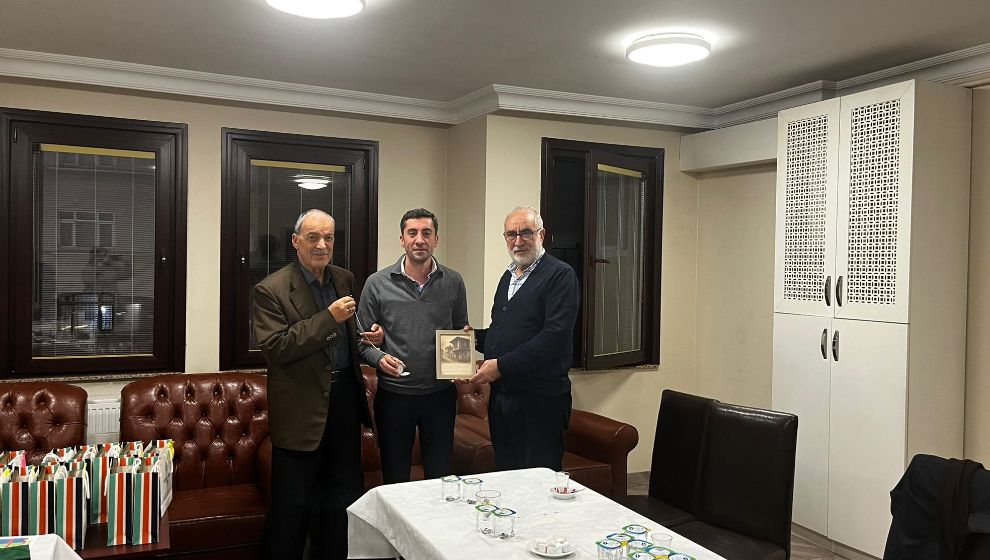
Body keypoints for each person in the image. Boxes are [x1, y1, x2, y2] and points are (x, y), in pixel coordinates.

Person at [251, 208, 382, 560]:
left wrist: (368, 337)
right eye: (313, 237)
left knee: (343, 499)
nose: (322, 245)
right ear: (296, 241)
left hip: (344, 402)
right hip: (300, 410)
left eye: (328, 237)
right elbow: (277, 347)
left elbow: (346, 335)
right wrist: (329, 318)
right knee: (292, 507)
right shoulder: (270, 289)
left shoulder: (343, 278)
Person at [357, 208, 469, 483]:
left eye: (426, 233)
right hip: (394, 397)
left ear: (436, 239)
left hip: (440, 396)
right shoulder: (377, 283)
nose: (420, 239)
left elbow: (459, 330)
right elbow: (361, 341)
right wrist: (378, 358)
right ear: (402, 239)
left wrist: (461, 363)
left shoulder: (454, 281)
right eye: (412, 233)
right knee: (395, 478)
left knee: (441, 479)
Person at [468, 206, 580, 471]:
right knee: (507, 476)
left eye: (526, 233)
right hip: (503, 400)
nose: (518, 241)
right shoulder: (508, 277)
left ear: (541, 234)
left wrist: (500, 366)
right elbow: (503, 332)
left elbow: (553, 337)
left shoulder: (560, 275)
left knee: (537, 482)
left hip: (541, 402)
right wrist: (471, 339)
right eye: (511, 234)